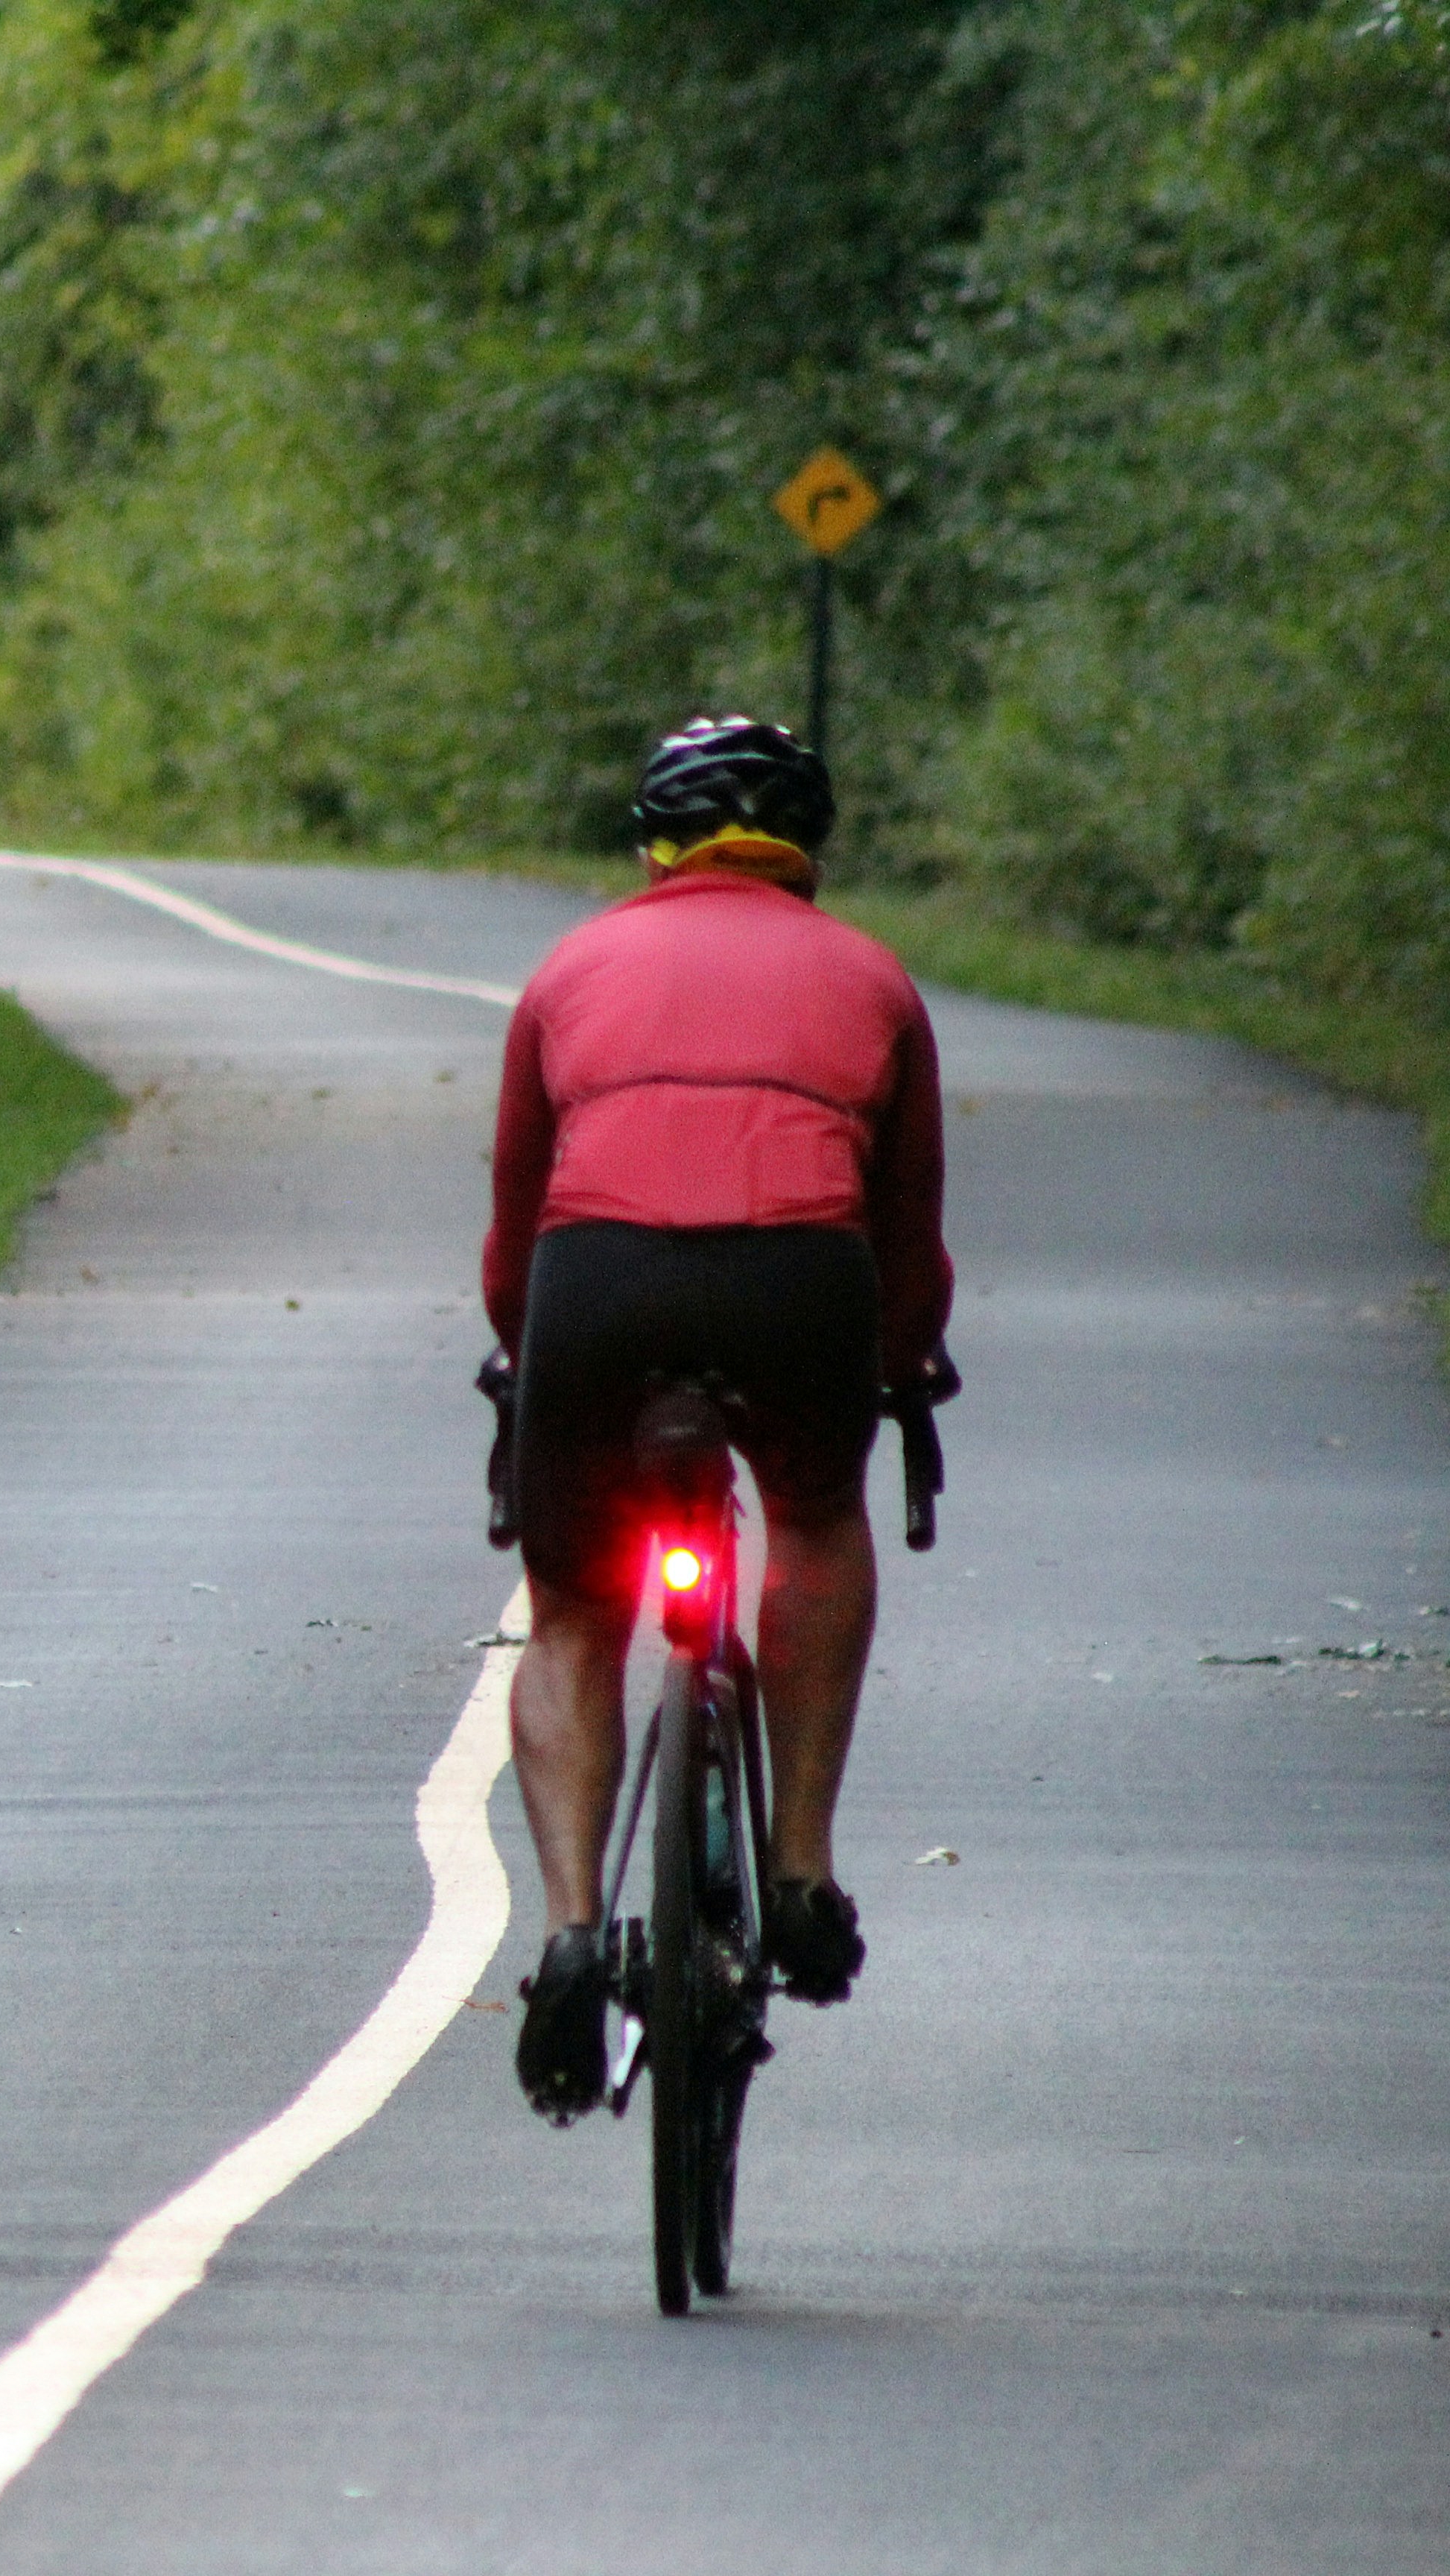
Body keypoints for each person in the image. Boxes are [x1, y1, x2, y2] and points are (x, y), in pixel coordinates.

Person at [487, 715, 953, 2121]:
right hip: (799, 1274)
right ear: (806, 850)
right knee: (813, 1517)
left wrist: (530, 1360)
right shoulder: (873, 977)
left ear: (656, 845)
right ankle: (799, 1876)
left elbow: (516, 1226)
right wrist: (904, 1362)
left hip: (600, 1278)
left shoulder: (573, 965)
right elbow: (909, 1231)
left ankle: (571, 1930)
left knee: (575, 1608)